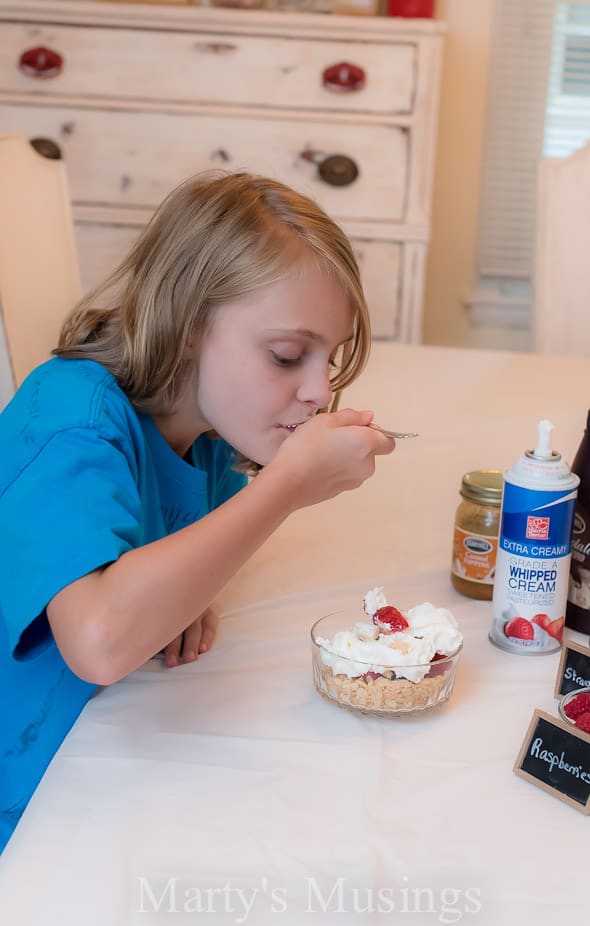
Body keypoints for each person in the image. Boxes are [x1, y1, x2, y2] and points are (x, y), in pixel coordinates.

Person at [0, 170, 395, 851]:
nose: (320, 390)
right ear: (186, 327)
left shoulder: (209, 435)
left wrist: (176, 589)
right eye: (287, 355)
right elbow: (97, 639)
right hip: (31, 815)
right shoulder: (74, 423)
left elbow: (156, 567)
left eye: (328, 358)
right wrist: (287, 489)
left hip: (108, 764)